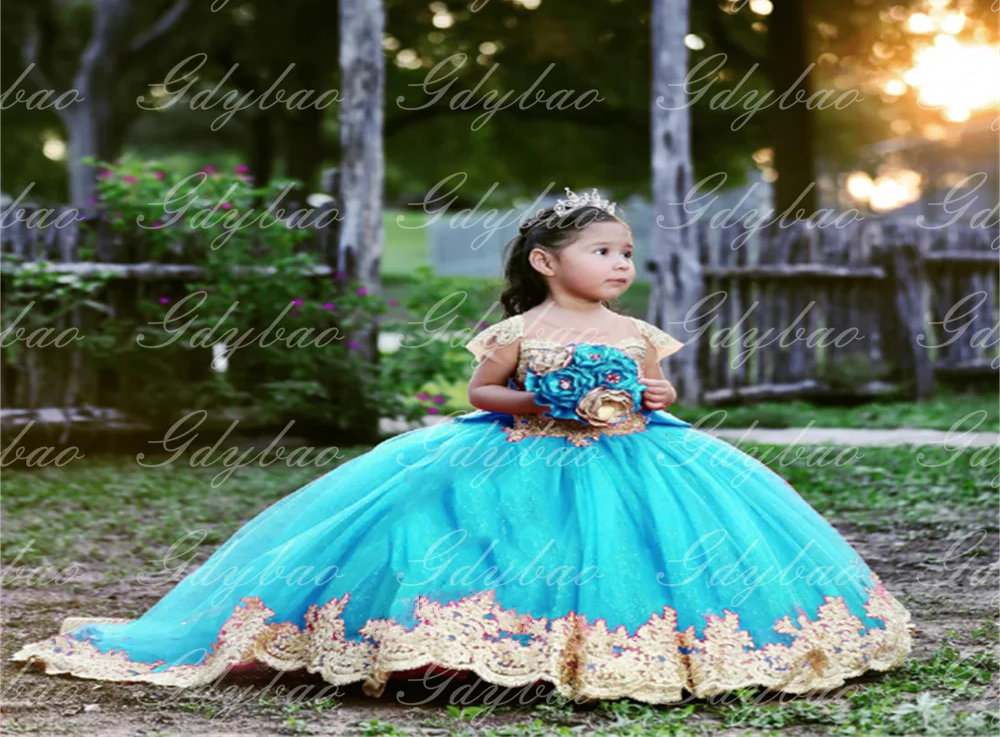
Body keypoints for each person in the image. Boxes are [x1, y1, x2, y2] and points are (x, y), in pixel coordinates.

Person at [10, 188, 913, 703]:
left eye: (627, 252)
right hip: (517, 447)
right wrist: (538, 394)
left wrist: (647, 392)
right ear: (547, 263)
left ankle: (644, 649)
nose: (622, 266)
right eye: (603, 252)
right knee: (476, 534)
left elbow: (664, 390)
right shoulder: (518, 326)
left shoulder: (638, 329)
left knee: (647, 551)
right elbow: (481, 393)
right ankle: (456, 650)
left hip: (637, 454)